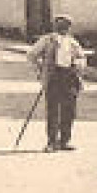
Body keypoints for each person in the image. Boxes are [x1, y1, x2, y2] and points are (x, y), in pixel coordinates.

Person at [27, 14, 86, 151]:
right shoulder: (47, 40)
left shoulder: (73, 42)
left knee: (69, 110)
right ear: (55, 26)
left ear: (69, 27)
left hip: (70, 77)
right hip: (54, 77)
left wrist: (78, 64)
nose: (64, 28)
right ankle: (52, 142)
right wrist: (40, 69)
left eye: (66, 25)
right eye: (60, 25)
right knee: (53, 110)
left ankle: (64, 141)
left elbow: (81, 57)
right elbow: (31, 55)